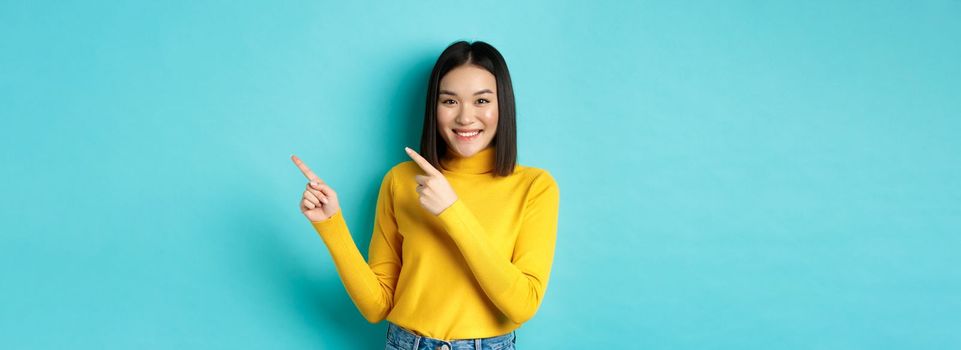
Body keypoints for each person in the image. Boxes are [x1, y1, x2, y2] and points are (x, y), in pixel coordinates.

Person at [290, 40, 559, 350]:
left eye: (482, 101)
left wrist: (452, 210)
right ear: (435, 107)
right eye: (449, 101)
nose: (465, 117)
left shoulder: (534, 186)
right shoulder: (400, 181)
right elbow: (377, 307)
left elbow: (523, 305)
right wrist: (331, 224)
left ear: (503, 105)